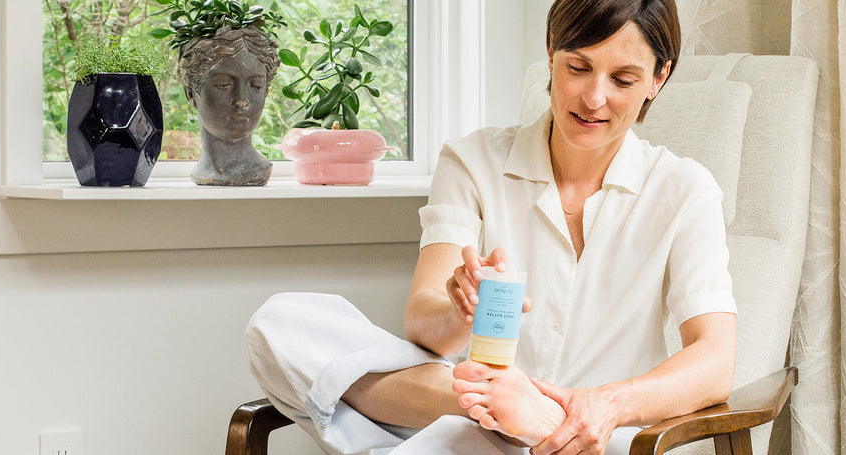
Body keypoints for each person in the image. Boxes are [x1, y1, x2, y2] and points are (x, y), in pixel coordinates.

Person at [245, 0, 737, 453]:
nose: (594, 98)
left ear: (658, 78)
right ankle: (513, 413)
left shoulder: (684, 190)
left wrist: (603, 405)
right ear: (551, 52)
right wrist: (460, 311)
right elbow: (424, 326)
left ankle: (537, 417)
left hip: (596, 440)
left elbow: (715, 360)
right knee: (282, 322)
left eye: (623, 80)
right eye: (578, 68)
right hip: (471, 428)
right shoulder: (473, 160)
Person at [178, 26, 279, 186]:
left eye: (256, 85)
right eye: (223, 84)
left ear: (266, 90)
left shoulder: (259, 170)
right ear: (190, 92)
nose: (241, 100)